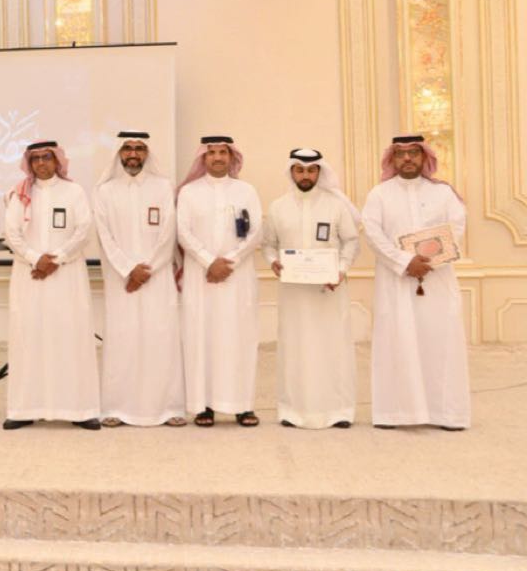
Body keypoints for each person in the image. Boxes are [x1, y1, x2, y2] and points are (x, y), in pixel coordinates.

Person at [362, 134, 469, 430]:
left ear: (424, 157)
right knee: (396, 341)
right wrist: (404, 261)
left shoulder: (443, 193)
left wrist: (428, 261)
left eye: (413, 153)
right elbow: (372, 233)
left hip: (437, 279)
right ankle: (393, 413)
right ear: (392, 159)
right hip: (395, 281)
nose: (407, 158)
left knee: (441, 342)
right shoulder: (379, 194)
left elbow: (456, 228)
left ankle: (447, 414)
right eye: (401, 154)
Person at [2, 140, 100, 430]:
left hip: (66, 276)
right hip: (29, 275)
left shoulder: (74, 192)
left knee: (71, 337)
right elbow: (11, 233)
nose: (42, 163)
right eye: (36, 159)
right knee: (28, 337)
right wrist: (36, 259)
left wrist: (56, 258)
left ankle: (80, 410)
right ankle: (24, 409)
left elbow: (83, 230)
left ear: (57, 161)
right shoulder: (19, 194)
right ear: (29, 163)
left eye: (47, 157)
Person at [261, 148, 360, 429]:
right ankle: (293, 411)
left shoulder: (335, 205)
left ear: (320, 172)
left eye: (311, 170)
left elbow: (351, 241)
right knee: (295, 348)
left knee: (333, 347)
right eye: (300, 170)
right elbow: (268, 244)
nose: (306, 175)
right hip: (293, 293)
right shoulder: (278, 207)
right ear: (291, 172)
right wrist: (273, 262)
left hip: (329, 290)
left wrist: (341, 270)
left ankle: (339, 411)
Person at [93, 131, 185, 428]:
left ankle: (169, 407)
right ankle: (116, 407)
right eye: (128, 148)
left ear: (147, 153)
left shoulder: (163, 187)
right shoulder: (105, 191)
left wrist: (148, 269)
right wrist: (127, 270)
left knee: (161, 337)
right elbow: (104, 236)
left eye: (139, 148)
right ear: (119, 153)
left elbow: (169, 232)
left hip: (157, 277)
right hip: (121, 280)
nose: (133, 154)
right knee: (123, 339)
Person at [176, 135, 263, 428]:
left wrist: (229, 262)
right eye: (211, 152)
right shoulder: (189, 192)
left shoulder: (246, 191)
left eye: (222, 152)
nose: (217, 158)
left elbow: (256, 233)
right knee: (202, 338)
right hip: (201, 278)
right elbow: (183, 232)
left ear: (231, 157)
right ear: (203, 158)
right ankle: (204, 406)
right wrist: (208, 261)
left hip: (237, 278)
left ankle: (242, 406)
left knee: (239, 338)